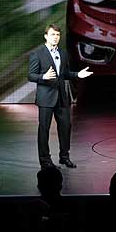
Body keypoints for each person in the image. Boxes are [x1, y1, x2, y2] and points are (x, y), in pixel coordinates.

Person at [28, 24, 93, 169]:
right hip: (46, 98)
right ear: (46, 36)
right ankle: (45, 161)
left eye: (58, 35)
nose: (55, 37)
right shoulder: (37, 54)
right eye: (53, 34)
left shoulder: (63, 54)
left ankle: (64, 157)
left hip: (61, 98)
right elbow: (31, 75)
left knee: (66, 127)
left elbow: (65, 74)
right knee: (44, 129)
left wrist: (77, 74)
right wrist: (43, 76)